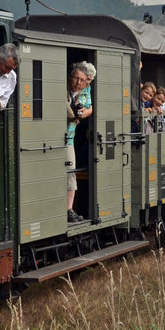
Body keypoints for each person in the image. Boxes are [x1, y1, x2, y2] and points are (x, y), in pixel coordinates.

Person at [64, 61, 95, 223]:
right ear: (70, 77)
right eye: (76, 78)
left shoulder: (81, 93)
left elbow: (88, 109)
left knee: (70, 172)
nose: (79, 83)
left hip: (69, 138)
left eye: (82, 80)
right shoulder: (64, 90)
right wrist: (74, 116)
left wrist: (79, 114)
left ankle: (68, 209)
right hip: (59, 137)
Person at [0, 43, 20, 109]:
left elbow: (4, 101)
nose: (8, 72)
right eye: (7, 67)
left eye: (11, 69)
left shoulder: (12, 77)